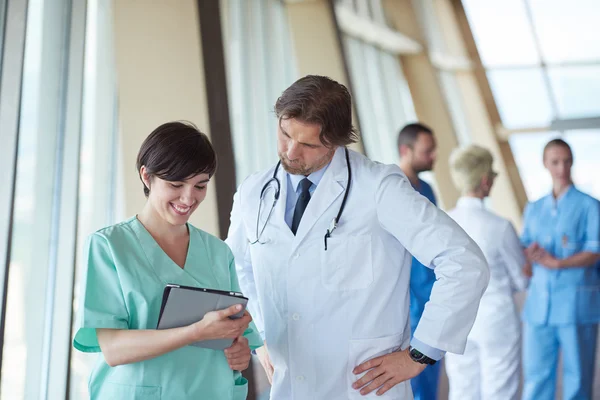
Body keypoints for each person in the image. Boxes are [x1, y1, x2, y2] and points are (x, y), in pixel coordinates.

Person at [226, 75, 489, 399]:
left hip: (364, 387)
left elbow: (464, 262)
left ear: (336, 141)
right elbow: (237, 270)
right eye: (284, 134)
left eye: (307, 144)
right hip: (290, 384)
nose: (291, 152)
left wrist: (421, 353)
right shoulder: (254, 192)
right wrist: (259, 339)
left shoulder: (379, 187)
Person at [73, 121, 262, 399]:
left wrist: (240, 352)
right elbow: (113, 349)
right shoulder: (109, 246)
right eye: (176, 184)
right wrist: (195, 332)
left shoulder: (218, 252)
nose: (189, 198)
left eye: (200, 185)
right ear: (146, 177)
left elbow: (238, 341)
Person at [444, 145, 528, 400]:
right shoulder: (500, 226)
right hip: (496, 321)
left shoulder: (444, 221)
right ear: (484, 180)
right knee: (499, 391)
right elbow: (521, 280)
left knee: (462, 391)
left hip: (455, 321)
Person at [521, 138, 600, 400]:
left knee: (577, 377)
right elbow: (525, 247)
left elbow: (595, 251)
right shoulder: (534, 208)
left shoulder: (590, 206)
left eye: (566, 161)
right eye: (555, 162)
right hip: (539, 306)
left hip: (575, 304)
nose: (562, 168)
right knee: (536, 375)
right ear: (545, 164)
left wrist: (559, 263)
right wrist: (529, 255)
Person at [397, 123, 440, 400]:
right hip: (404, 300)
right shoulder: (391, 189)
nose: (433, 156)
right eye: (427, 151)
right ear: (406, 150)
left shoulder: (427, 189)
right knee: (409, 382)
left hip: (430, 295)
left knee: (430, 374)